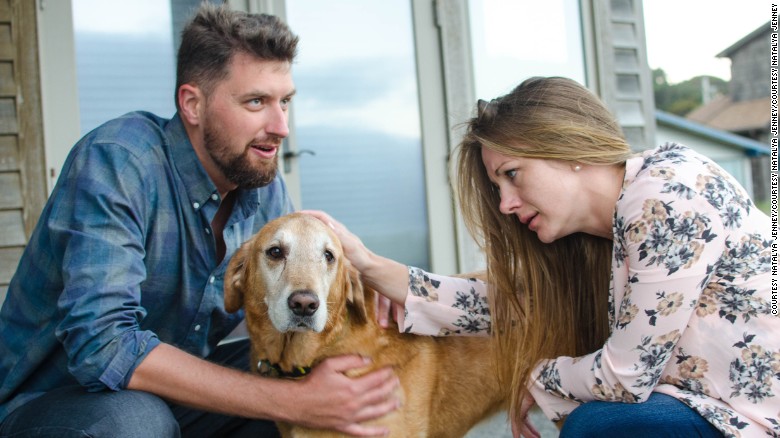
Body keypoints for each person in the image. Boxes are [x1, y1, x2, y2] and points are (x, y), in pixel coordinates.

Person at [0, 4, 399, 437]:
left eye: (284, 101)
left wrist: (365, 285)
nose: (281, 125)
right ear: (192, 103)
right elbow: (102, 347)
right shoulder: (118, 163)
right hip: (54, 407)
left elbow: (290, 296)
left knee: (322, 374)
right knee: (136, 421)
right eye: (256, 102)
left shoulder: (263, 189)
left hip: (175, 400)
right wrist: (294, 401)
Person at [304, 76, 777, 437]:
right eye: (498, 187)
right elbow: (500, 306)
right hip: (715, 406)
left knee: (602, 425)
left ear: (566, 147)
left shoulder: (666, 196)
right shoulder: (601, 233)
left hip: (758, 414)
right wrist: (365, 263)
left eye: (513, 174)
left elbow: (626, 376)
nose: (506, 203)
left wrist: (537, 377)